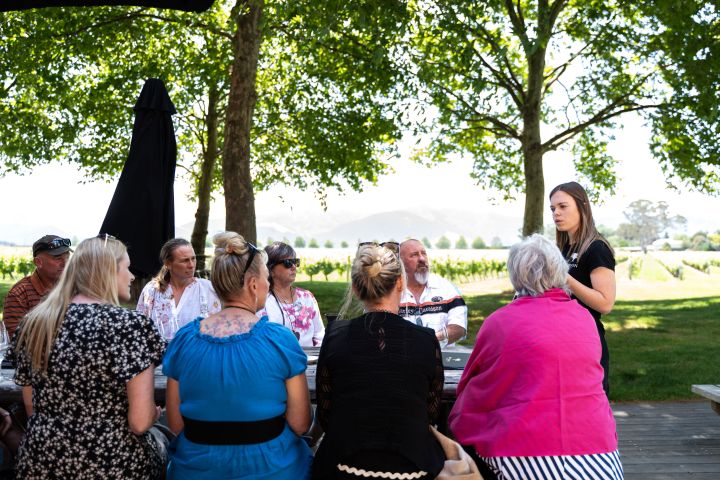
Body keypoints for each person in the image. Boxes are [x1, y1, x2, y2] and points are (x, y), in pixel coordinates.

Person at [449, 234, 623, 480]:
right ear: (561, 272)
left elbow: (472, 382)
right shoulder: (585, 318)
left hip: (523, 456)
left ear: (515, 274)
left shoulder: (499, 322)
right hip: (600, 457)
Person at [8, 235, 167, 479]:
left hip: (41, 458)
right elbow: (139, 422)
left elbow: (31, 406)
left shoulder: (35, 323)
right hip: (113, 463)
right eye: (126, 267)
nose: (132, 276)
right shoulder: (129, 326)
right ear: (108, 271)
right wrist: (155, 414)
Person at [163, 232, 313, 479]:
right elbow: (300, 423)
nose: (268, 285)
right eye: (266, 278)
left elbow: (177, 425)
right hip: (272, 468)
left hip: (197, 469)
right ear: (254, 284)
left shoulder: (184, 340)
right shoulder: (279, 340)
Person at [313, 243, 446, 480]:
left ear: (355, 287)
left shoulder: (335, 336)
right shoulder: (426, 340)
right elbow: (431, 413)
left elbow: (326, 413)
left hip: (343, 466)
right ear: (400, 282)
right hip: (414, 467)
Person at [550, 181, 616, 394]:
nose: (556, 213)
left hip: (586, 342)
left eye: (563, 206)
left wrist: (565, 278)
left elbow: (605, 303)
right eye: (552, 208)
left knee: (589, 411)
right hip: (560, 341)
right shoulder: (563, 249)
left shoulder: (596, 248)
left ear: (582, 206)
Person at [137, 238, 221, 340]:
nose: (191, 265)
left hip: (194, 354)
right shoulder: (152, 290)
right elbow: (140, 327)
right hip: (159, 355)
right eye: (185, 260)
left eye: (193, 258)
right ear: (168, 264)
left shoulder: (207, 289)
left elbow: (216, 329)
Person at [398, 239, 467, 346]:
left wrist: (429, 340)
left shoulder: (446, 288)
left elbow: (459, 328)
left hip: (442, 359)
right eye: (414, 255)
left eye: (423, 253)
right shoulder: (391, 292)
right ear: (400, 262)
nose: (421, 259)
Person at [2, 235, 71, 339]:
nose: (65, 263)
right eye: (58, 258)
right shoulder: (18, 295)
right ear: (38, 262)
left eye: (67, 257)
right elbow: (15, 341)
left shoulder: (75, 286)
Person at [257, 242, 324, 347]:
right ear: (270, 269)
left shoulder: (307, 298)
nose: (293, 267)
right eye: (288, 263)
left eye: (295, 262)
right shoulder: (262, 301)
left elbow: (320, 336)